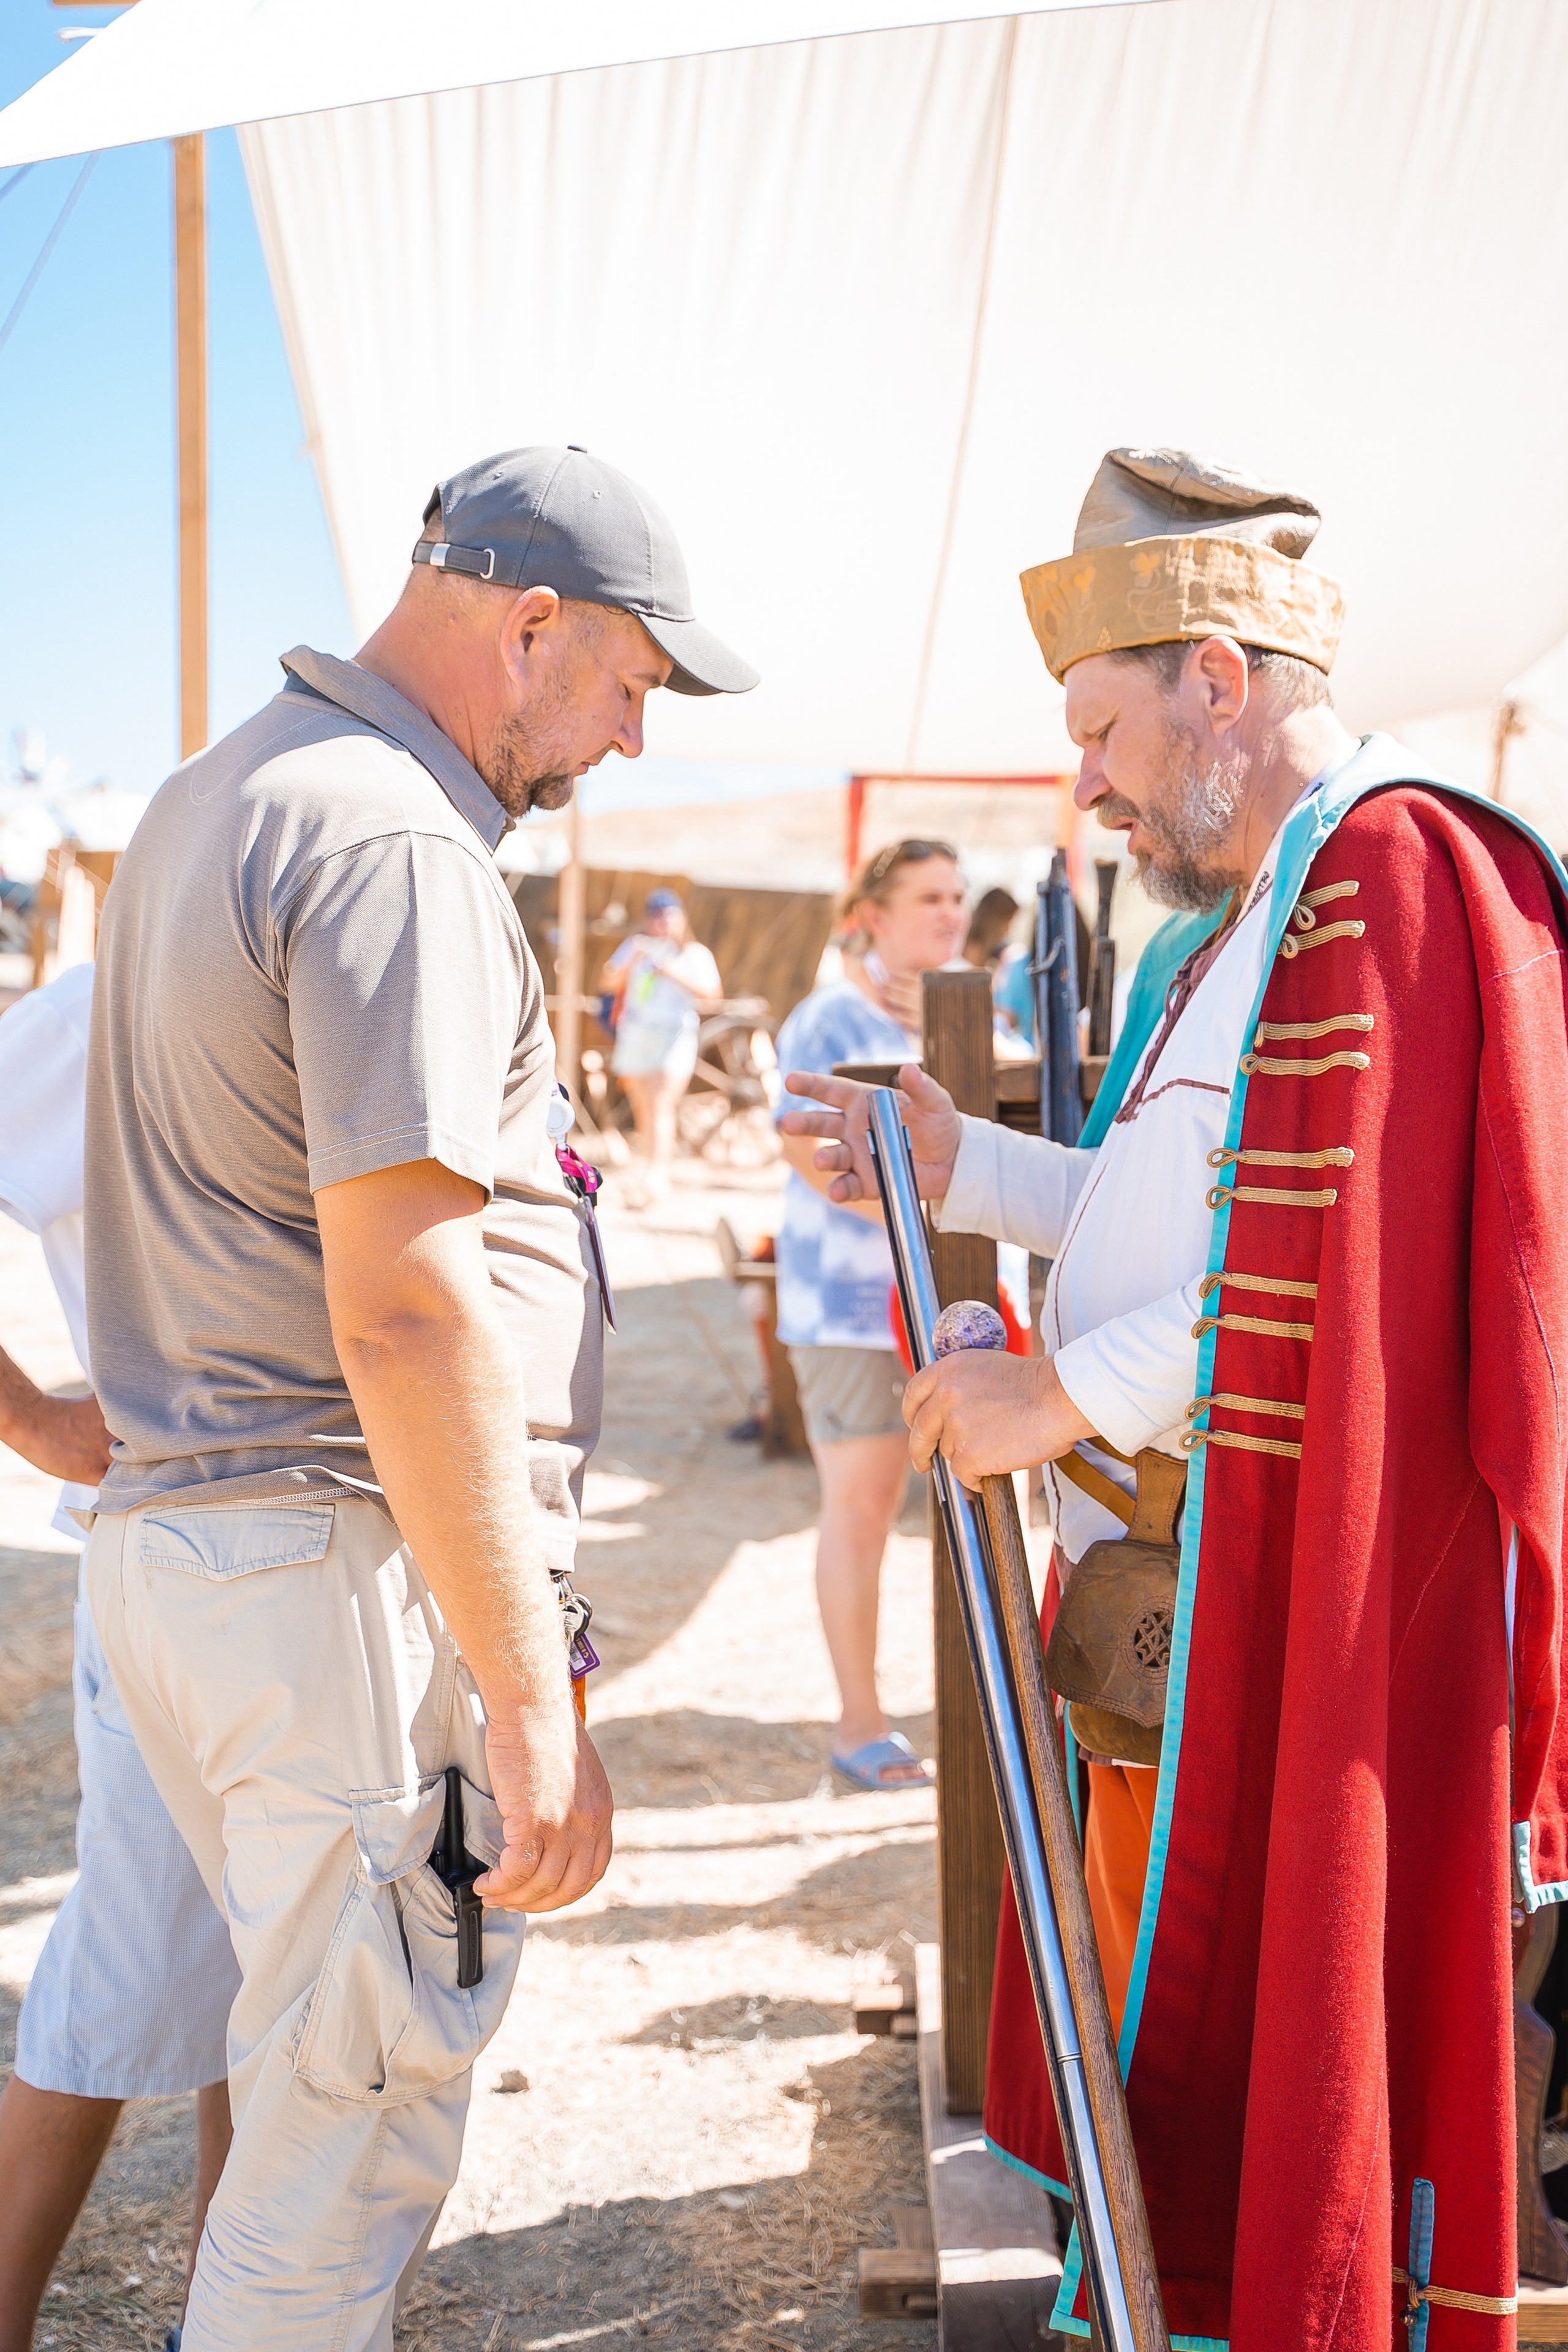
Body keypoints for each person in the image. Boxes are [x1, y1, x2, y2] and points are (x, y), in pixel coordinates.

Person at [784, 447, 1568, 2347]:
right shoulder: (1224, 930)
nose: (1087, 776)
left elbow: (1339, 1283)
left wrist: (1059, 1396)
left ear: (1216, 679)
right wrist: (961, 1159)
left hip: (1289, 1612)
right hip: (1178, 1608)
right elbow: (1177, 1219)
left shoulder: (1380, 876)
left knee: (1262, 2057)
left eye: (1102, 723)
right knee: (1168, 2065)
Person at [81, 444, 757, 2348]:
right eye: (629, 682)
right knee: (340, 2151)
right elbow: (406, 1311)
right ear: (527, 622)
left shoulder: (218, 793)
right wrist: (532, 1694)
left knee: (310, 2104)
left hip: (214, 1549)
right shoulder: (390, 834)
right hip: (327, 1574)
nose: (630, 737)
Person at [0, 962, 236, 2352]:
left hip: (334, 1558)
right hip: (177, 1552)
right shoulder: (107, 997)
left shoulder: (378, 950)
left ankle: (234, 2318)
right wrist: (31, 1418)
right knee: (128, 1965)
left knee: (286, 1978)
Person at [772, 839, 968, 1789]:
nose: (950, 912)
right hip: (855, 1308)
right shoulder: (831, 1019)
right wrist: (960, 1198)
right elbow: (810, 1160)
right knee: (860, 1514)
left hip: (950, 1304)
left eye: (959, 896)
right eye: (928, 896)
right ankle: (858, 1726)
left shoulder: (973, 1015)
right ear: (873, 915)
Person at [604, 888, 722, 1201]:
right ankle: (649, 1167)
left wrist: (672, 972)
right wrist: (633, 962)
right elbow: (607, 982)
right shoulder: (637, 947)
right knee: (643, 1105)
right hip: (637, 1032)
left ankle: (658, 1175)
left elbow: (712, 996)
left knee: (662, 1104)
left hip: (675, 1035)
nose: (663, 923)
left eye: (669, 916)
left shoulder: (695, 955)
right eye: (657, 917)